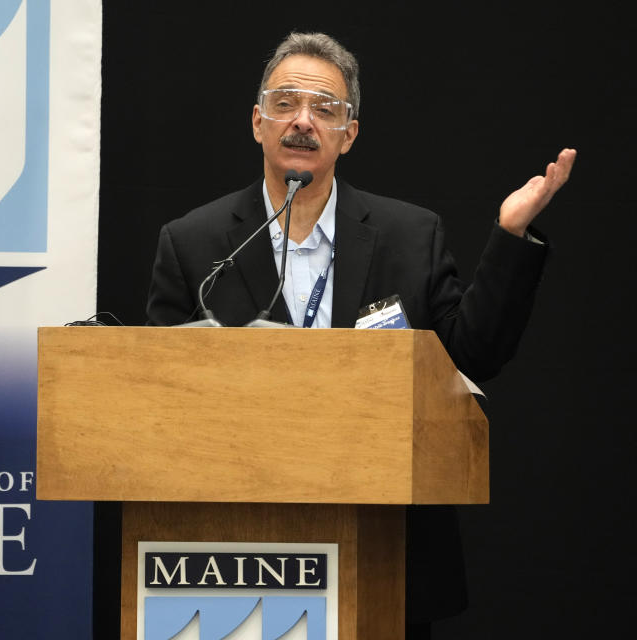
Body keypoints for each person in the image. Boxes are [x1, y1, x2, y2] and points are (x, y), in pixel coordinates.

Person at [146, 32, 575, 638]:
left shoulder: (409, 234)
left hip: (383, 546)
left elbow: (472, 356)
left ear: (349, 134)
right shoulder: (194, 243)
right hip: (230, 550)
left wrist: (510, 237)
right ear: (256, 121)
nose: (303, 122)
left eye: (325, 109)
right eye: (286, 103)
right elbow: (154, 397)